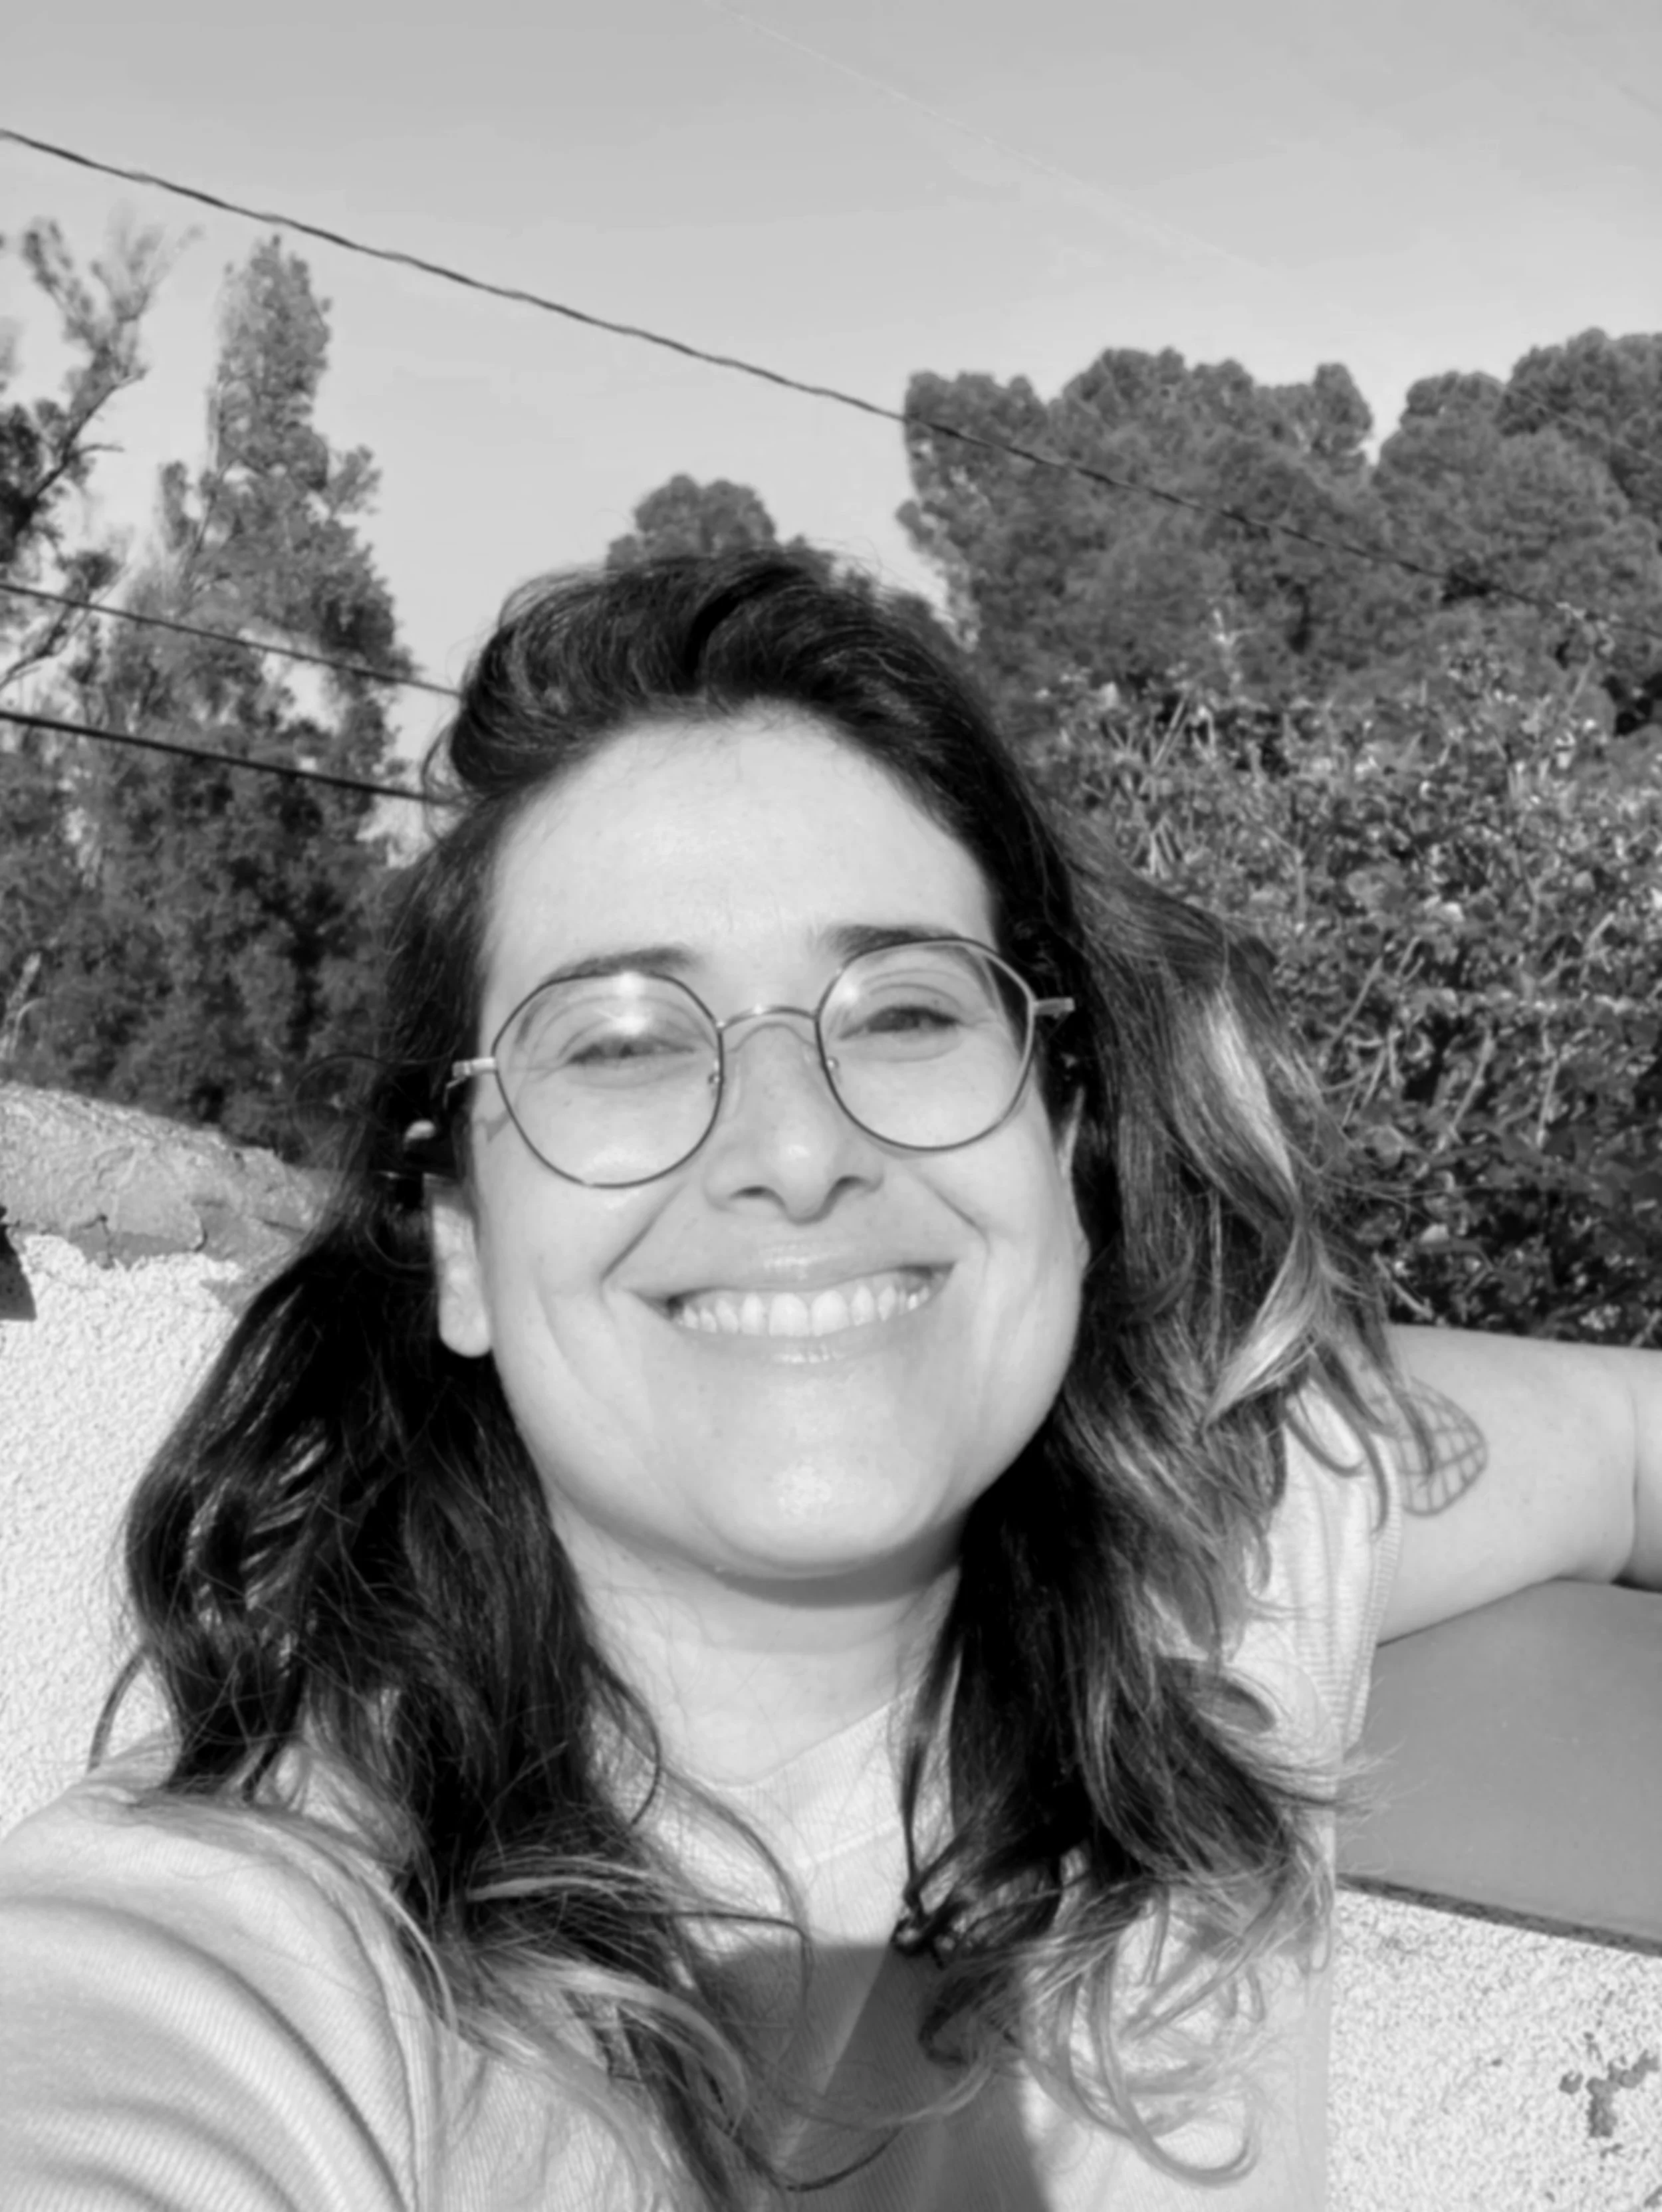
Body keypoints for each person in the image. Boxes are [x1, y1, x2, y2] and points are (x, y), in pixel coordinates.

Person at [0, 552, 1656, 2211]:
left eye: (906, 1011)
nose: (796, 1149)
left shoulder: (1203, 1573)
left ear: (1063, 1148)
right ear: (458, 1244)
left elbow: (1626, 1443)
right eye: (622, 1040)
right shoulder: (243, 1950)